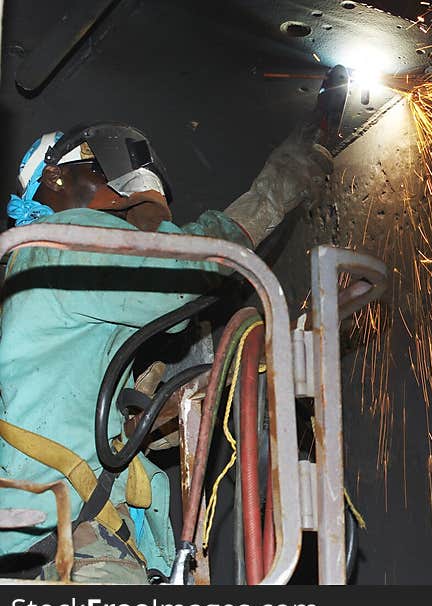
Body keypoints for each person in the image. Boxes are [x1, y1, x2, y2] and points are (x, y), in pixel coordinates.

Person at [0, 122, 332, 582]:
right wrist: (281, 184)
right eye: (108, 166)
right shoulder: (61, 242)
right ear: (57, 180)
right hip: (67, 557)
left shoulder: (35, 275)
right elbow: (187, 265)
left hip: (49, 549)